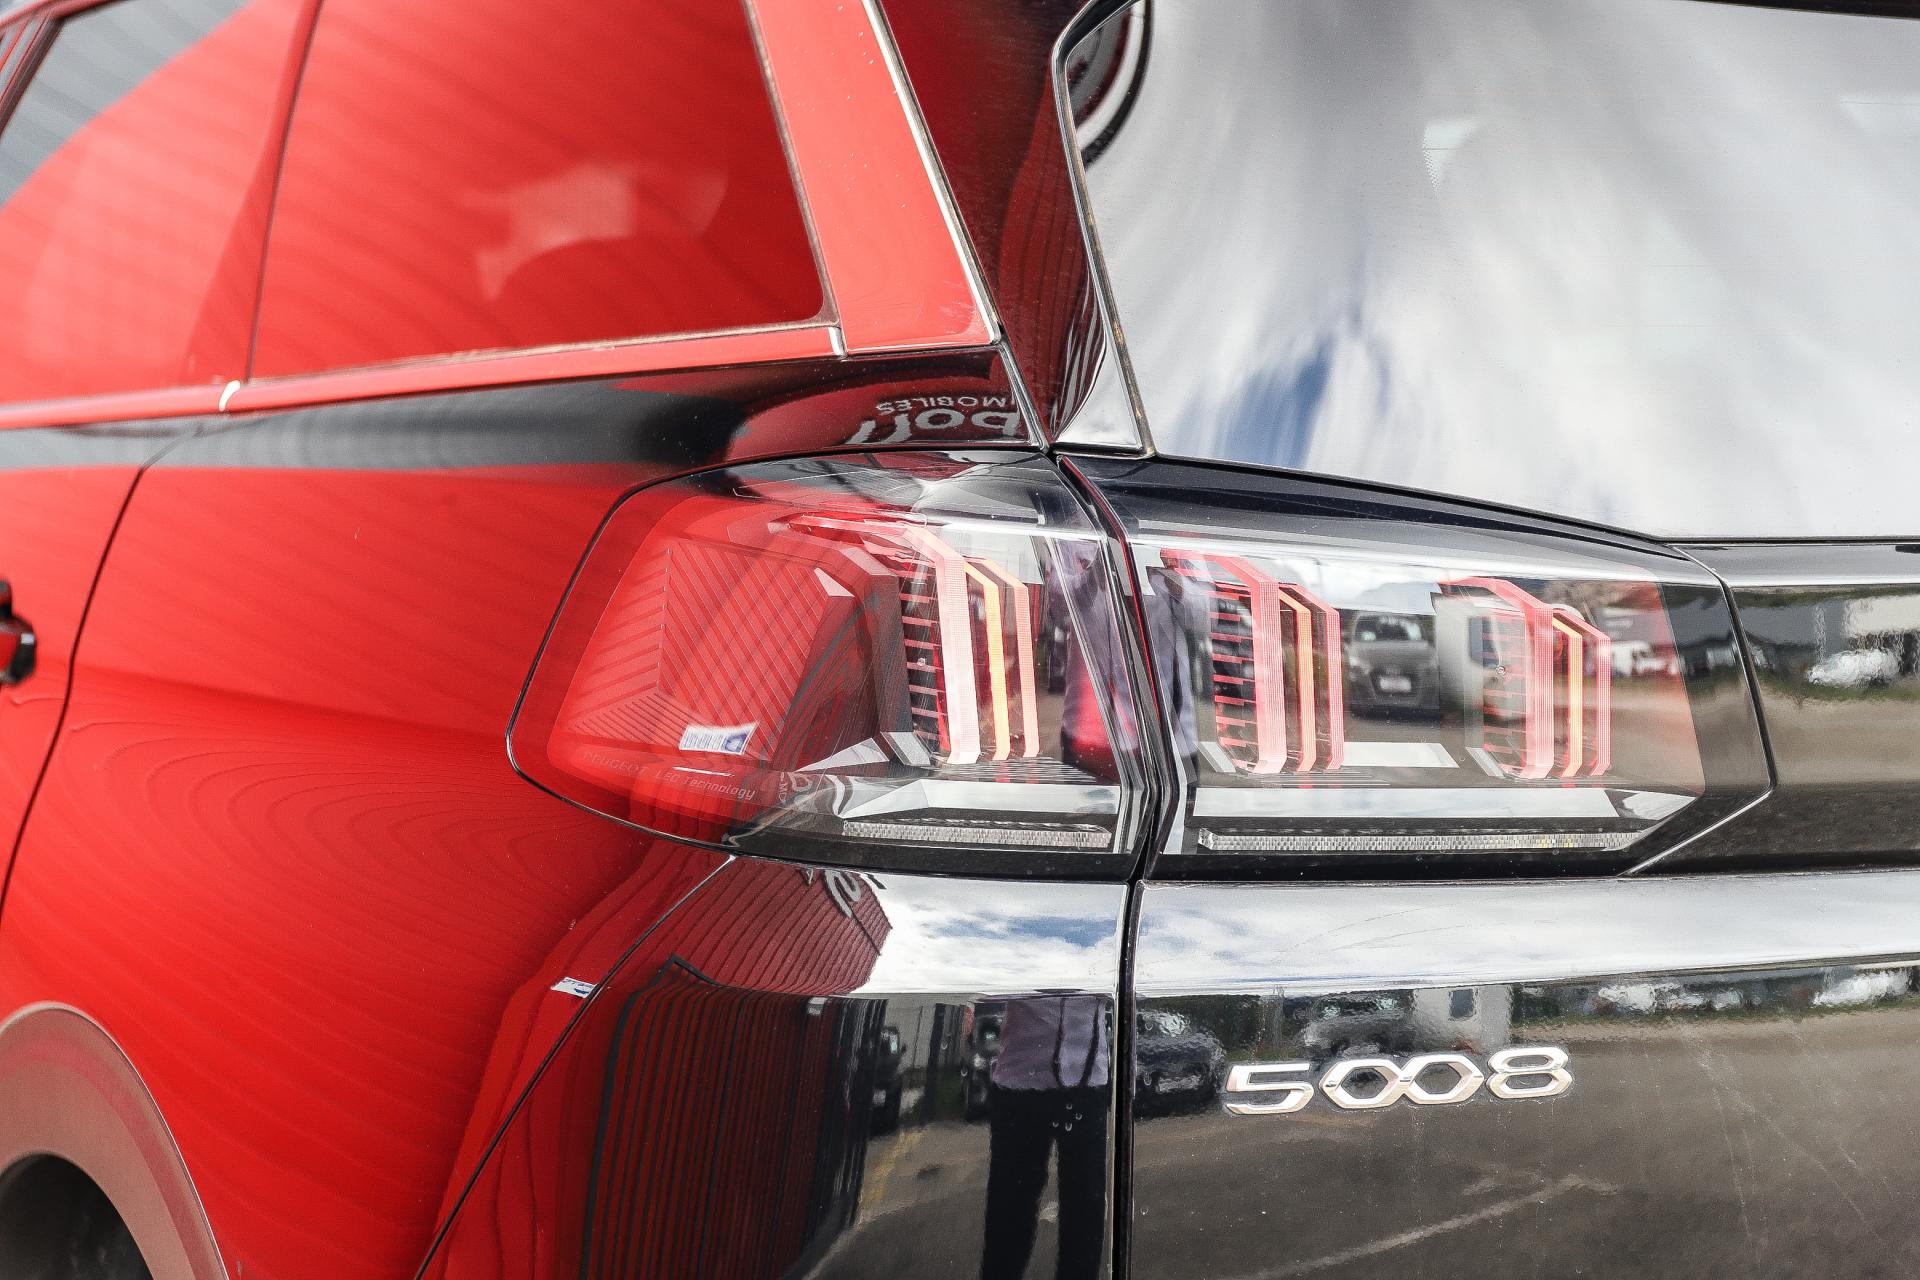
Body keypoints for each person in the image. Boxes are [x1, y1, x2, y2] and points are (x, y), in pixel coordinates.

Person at [979, 992, 1110, 1280]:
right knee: (1009, 1212)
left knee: (1085, 1211)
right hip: (1020, 1084)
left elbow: (1124, 982)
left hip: (1087, 1084)